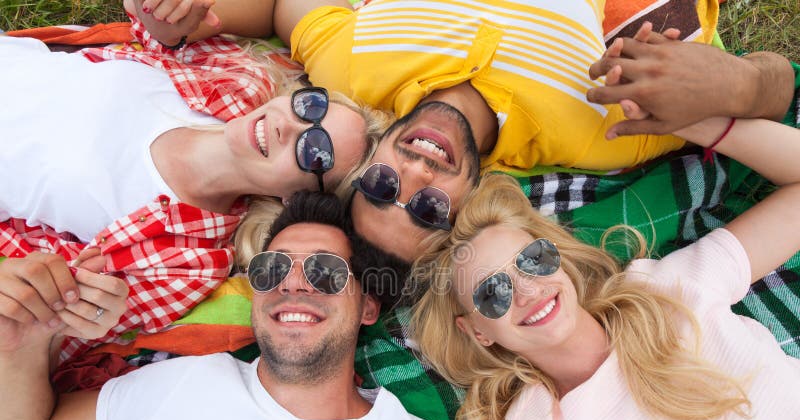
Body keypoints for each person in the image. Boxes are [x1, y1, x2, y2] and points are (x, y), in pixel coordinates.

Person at [131, 0, 796, 269]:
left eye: (384, 186)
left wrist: (187, 17)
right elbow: (780, 88)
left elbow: (278, 6)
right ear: (472, 201)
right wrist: (739, 87)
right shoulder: (604, 131)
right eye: (426, 208)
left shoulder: (350, 66)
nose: (416, 176)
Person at [0, 192, 498, 420]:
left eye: (325, 271)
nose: (293, 283)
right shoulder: (180, 387)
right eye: (272, 267)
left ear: (369, 306)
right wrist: (22, 338)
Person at [407, 107, 800, 420]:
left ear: (559, 258)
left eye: (532, 259)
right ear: (478, 331)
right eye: (492, 292)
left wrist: (693, 120)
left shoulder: (669, 288)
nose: (526, 290)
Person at [0, 32, 391, 359]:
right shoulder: (242, 83)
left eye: (314, 151)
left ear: (295, 198)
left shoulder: (190, 261)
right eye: (310, 106)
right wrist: (164, 19)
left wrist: (65, 307)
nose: (288, 125)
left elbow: (36, 306)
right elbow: (161, 36)